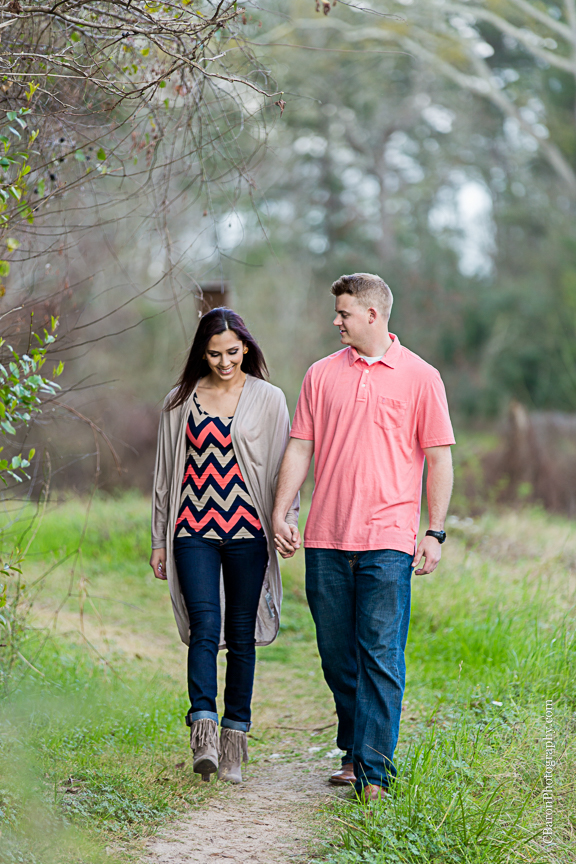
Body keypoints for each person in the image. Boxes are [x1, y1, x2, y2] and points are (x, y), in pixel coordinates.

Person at [272, 273, 455, 803]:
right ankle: (355, 747)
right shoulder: (319, 375)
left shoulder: (421, 377)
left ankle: (374, 773)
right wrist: (282, 510)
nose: (337, 321)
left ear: (372, 315)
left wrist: (434, 531)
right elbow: (300, 446)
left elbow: (439, 456)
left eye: (345, 313)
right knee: (337, 654)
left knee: (380, 653)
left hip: (389, 538)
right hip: (326, 537)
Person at [150, 307, 298, 784]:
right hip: (192, 529)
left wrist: (285, 520)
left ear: (246, 349)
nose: (224, 362)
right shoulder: (179, 400)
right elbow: (163, 479)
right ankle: (204, 731)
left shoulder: (269, 399)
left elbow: (282, 469)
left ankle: (236, 736)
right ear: (202, 353)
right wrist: (158, 541)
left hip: (247, 530)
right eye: (214, 353)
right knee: (203, 626)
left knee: (240, 633)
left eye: (232, 352)